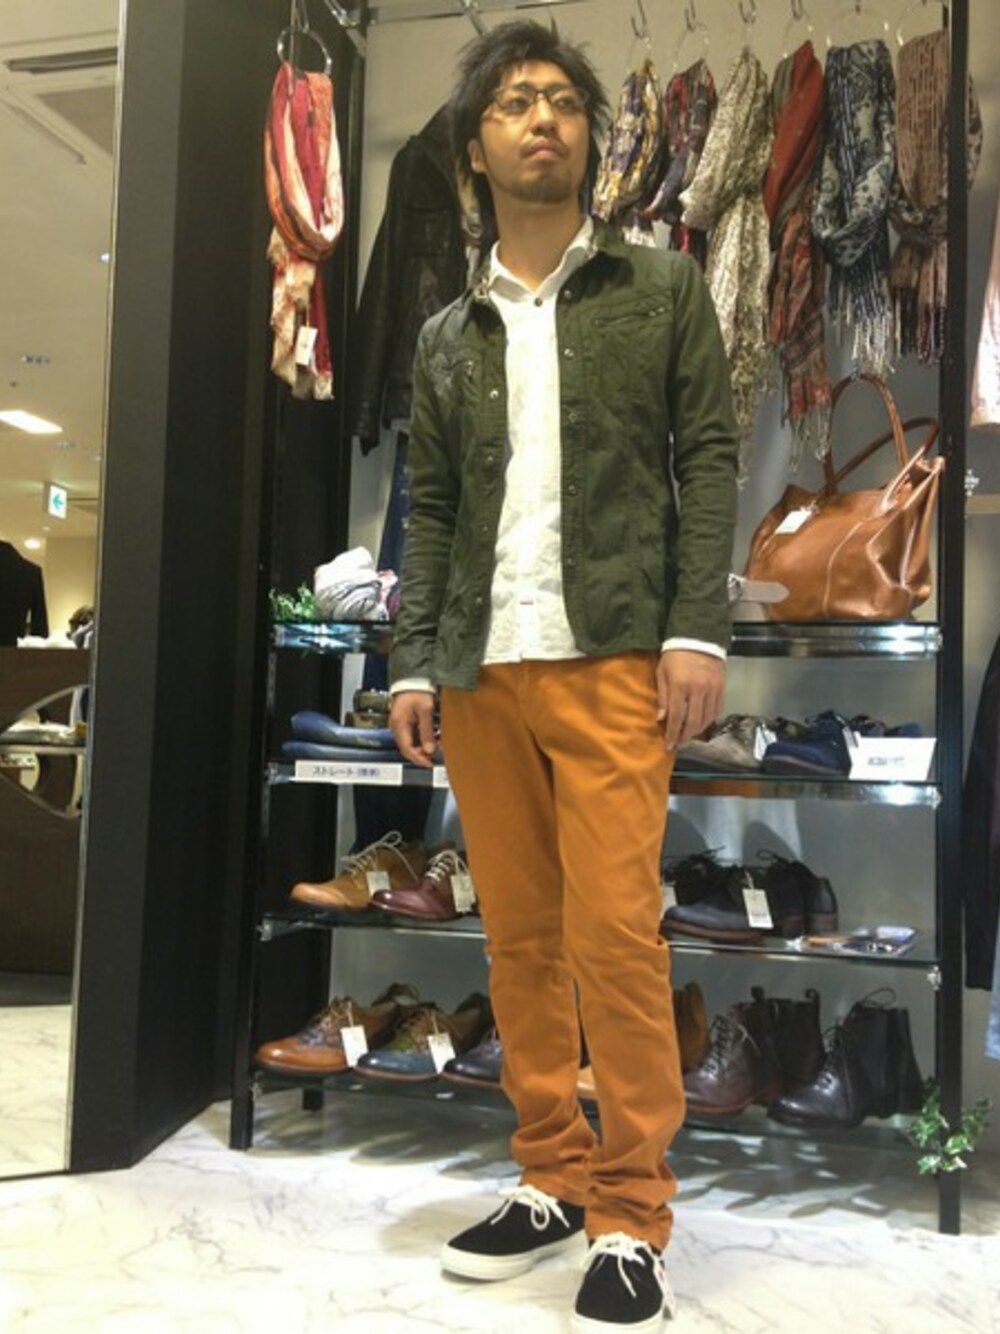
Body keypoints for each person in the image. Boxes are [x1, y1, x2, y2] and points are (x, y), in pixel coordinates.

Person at [389, 20, 739, 1332]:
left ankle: (632, 1210)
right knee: (519, 939)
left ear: (590, 138)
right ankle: (549, 1171)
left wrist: (697, 629)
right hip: (482, 669)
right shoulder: (445, 333)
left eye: (563, 102)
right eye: (514, 103)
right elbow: (430, 508)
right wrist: (413, 661)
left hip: (613, 659)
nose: (543, 118)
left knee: (616, 939)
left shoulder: (661, 289)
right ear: (476, 149)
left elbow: (709, 455)